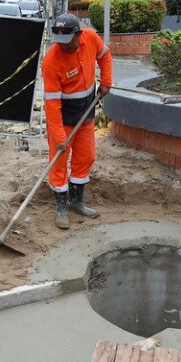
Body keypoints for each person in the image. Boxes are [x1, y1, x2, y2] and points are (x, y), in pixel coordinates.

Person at [42, 13, 112, 229]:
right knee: (60, 162)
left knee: (86, 156)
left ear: (78, 34)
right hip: (63, 118)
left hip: (86, 112)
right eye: (59, 42)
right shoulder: (51, 61)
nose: (63, 46)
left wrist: (106, 82)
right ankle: (62, 206)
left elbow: (105, 56)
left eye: (67, 41)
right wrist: (60, 137)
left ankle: (77, 201)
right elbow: (52, 105)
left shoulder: (90, 38)